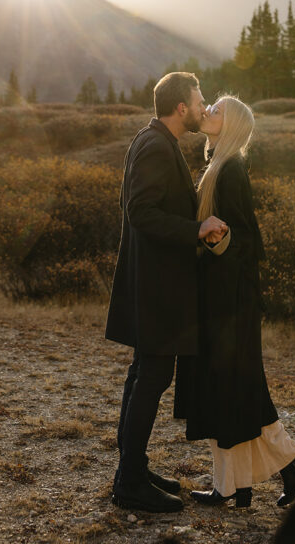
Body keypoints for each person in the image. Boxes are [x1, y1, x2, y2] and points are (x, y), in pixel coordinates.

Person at [175, 95, 295, 508]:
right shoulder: (218, 165)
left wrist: (218, 240)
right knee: (226, 390)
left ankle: (287, 457)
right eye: (210, 106)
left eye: (216, 110)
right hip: (220, 295)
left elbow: (247, 238)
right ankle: (233, 486)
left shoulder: (231, 168)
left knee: (232, 387)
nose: (209, 113)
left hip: (230, 301)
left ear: (231, 124)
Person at [105, 72, 227, 513]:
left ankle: (132, 467)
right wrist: (197, 229)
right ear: (181, 108)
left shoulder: (153, 139)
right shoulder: (156, 146)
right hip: (156, 288)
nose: (203, 107)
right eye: (199, 101)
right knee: (151, 378)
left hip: (150, 284)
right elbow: (141, 211)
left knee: (142, 375)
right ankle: (129, 482)